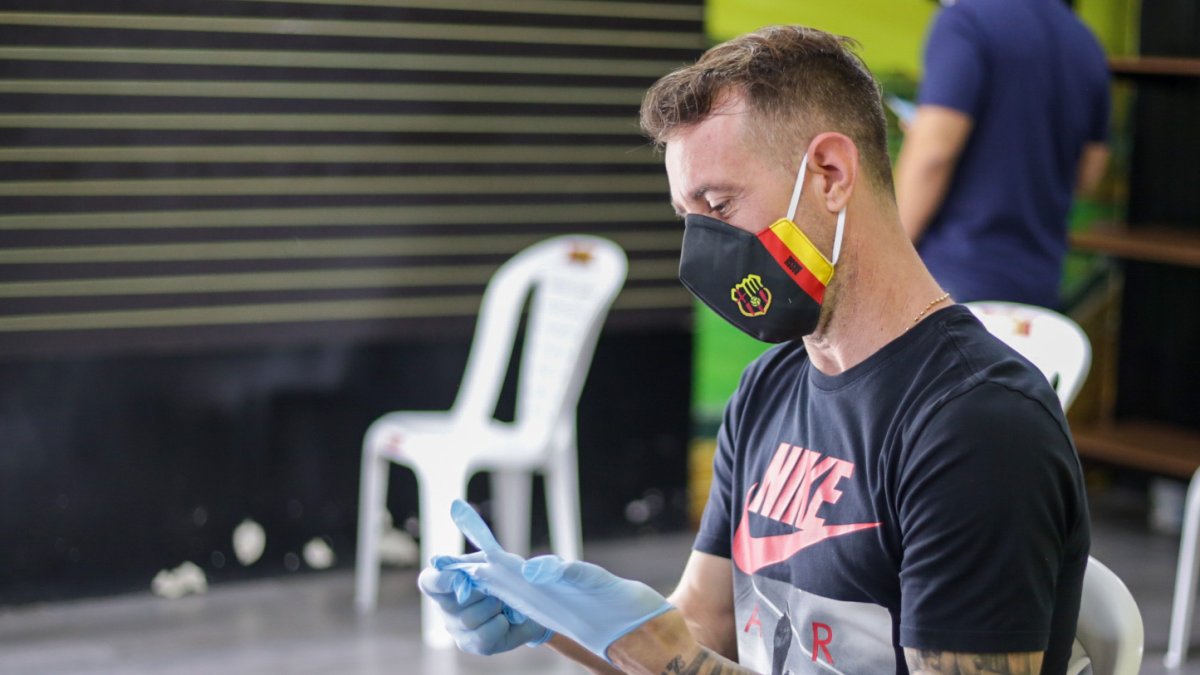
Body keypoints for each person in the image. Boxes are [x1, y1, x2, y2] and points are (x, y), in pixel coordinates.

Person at [420, 25, 1089, 675]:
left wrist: (664, 656)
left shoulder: (977, 425)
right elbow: (704, 628)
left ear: (829, 173)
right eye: (691, 219)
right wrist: (560, 618)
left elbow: (679, 654)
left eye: (720, 203)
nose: (703, 251)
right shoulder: (769, 389)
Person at [894, 0, 1111, 309]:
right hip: (1041, 284)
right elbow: (1089, 174)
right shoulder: (1087, 44)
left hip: (951, 282)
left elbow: (934, 153)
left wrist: (894, 252)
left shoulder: (965, 20)